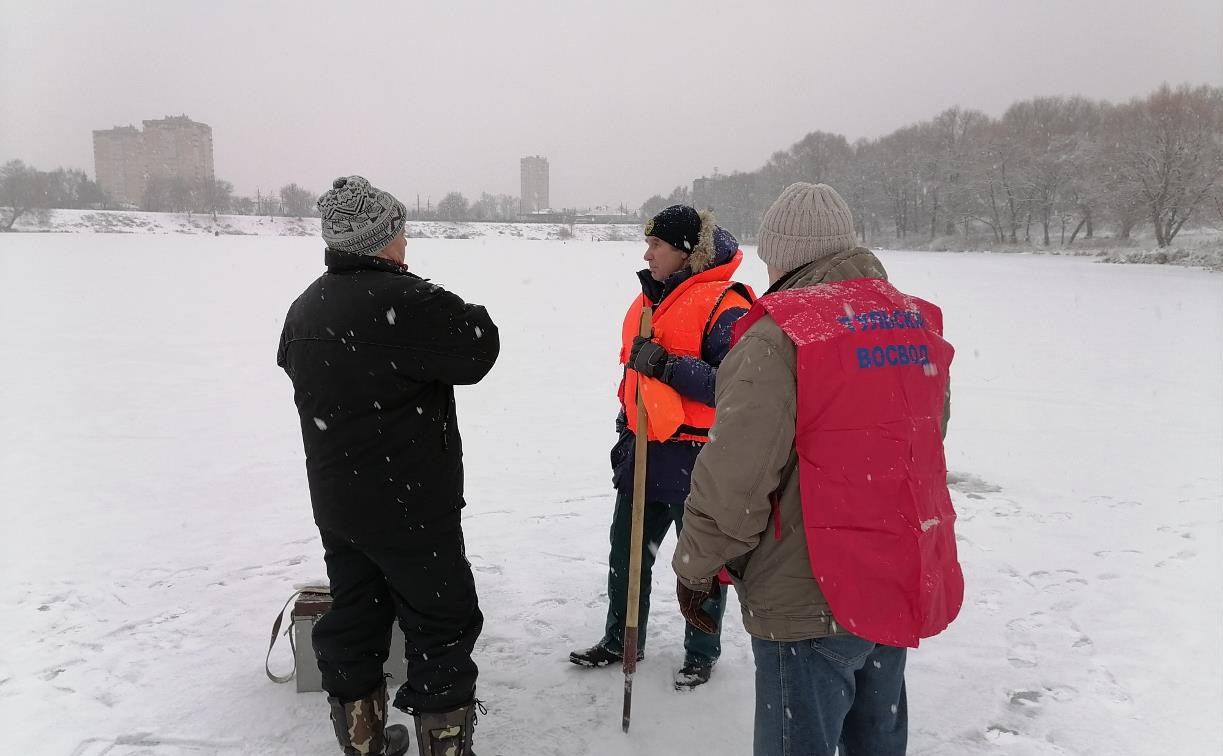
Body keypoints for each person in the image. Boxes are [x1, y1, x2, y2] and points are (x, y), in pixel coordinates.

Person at [671, 183, 961, 755]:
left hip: (805, 595)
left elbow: (737, 473)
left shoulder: (780, 334)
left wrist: (696, 564)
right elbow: (924, 441)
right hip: (891, 578)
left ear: (787, 253)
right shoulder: (910, 323)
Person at [277, 176, 498, 756]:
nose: (407, 244)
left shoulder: (305, 307)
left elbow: (297, 368)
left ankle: (363, 741)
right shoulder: (405, 302)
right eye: (400, 233)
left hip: (341, 506)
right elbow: (481, 344)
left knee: (355, 618)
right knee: (441, 625)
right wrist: (408, 292)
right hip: (412, 508)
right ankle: (445, 747)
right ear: (380, 240)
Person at [569, 205, 754, 690]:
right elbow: (632, 374)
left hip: (700, 463)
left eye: (658, 246)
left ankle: (701, 652)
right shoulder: (649, 300)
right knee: (626, 556)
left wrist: (668, 366)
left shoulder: (725, 305)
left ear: (687, 253)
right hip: (644, 452)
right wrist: (625, 420)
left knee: (701, 566)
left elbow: (735, 387)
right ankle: (621, 639)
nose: (647, 253)